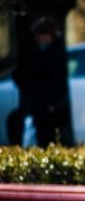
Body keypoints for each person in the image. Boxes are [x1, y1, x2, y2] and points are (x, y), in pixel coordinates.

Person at [12, 16, 74, 147]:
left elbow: (58, 79)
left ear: (46, 35)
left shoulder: (54, 53)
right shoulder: (44, 51)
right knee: (45, 135)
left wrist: (54, 102)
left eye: (39, 35)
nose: (37, 39)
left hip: (49, 104)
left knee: (49, 136)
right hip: (43, 102)